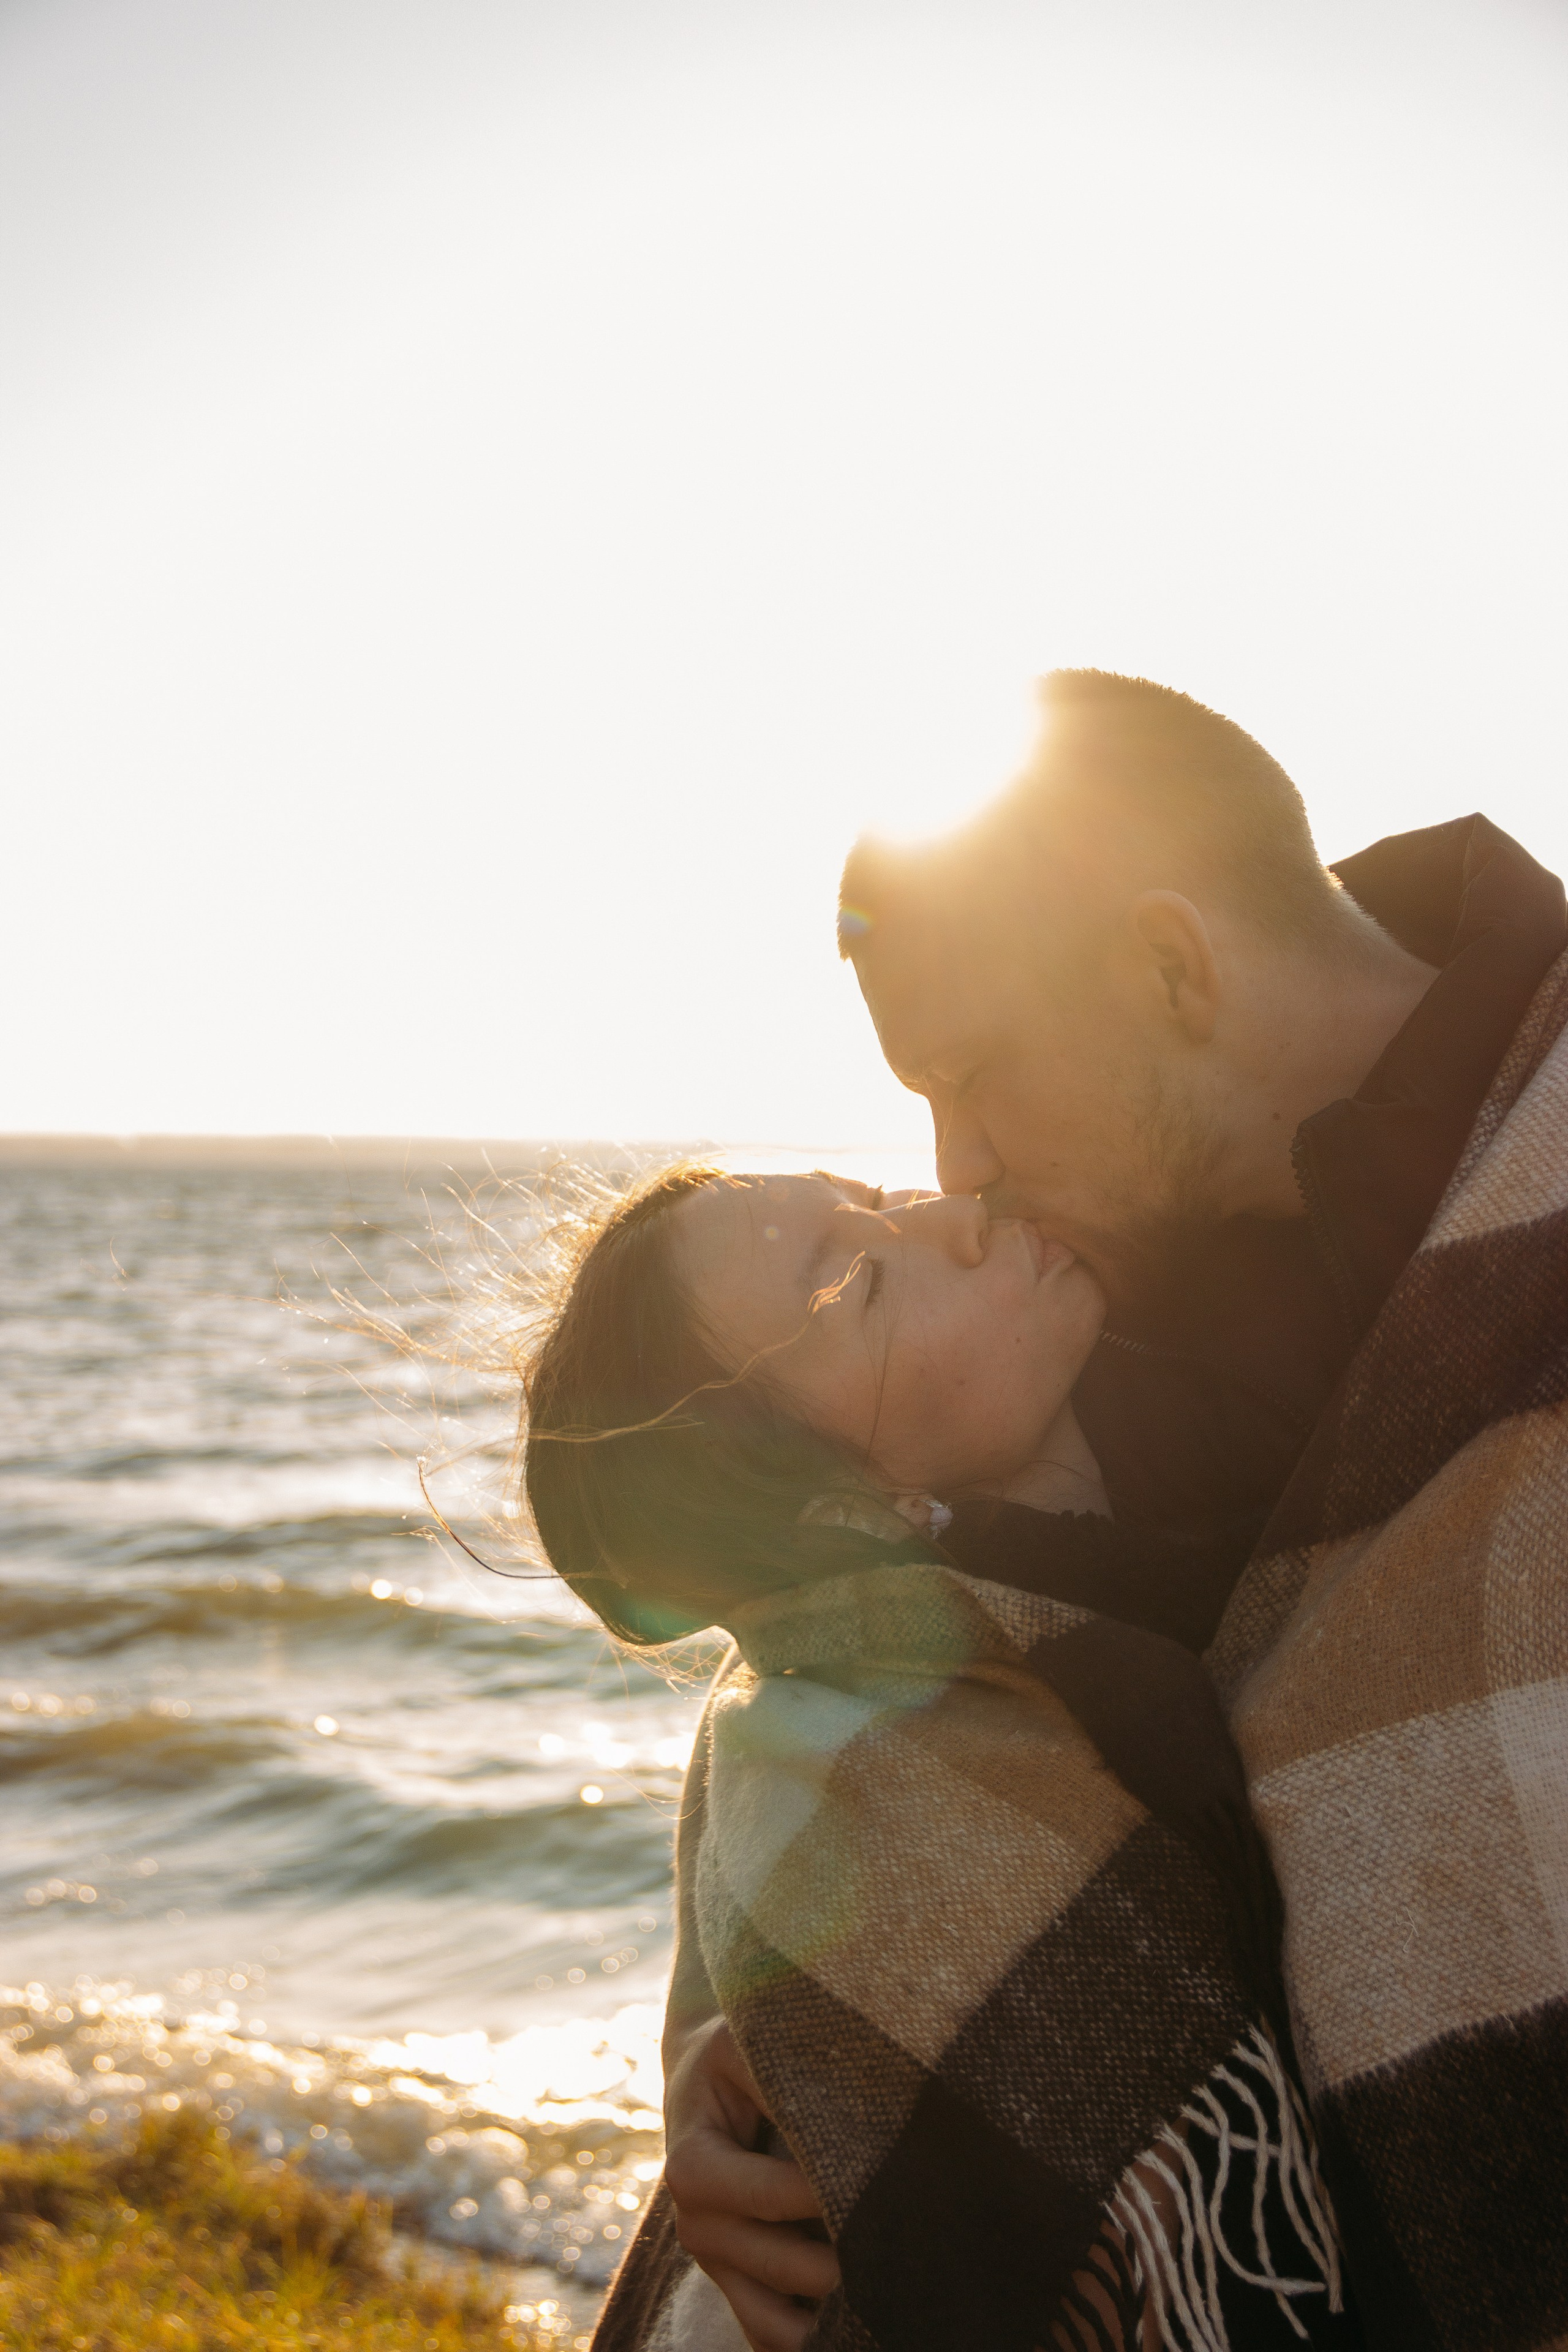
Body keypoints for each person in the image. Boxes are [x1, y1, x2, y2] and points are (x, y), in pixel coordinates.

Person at [662, 672, 1568, 2351]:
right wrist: (764, 2037)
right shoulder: (1079, 1301)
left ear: (1173, 967)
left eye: (975, 1074)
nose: (957, 1167)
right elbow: (849, 1633)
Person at [523, 1161, 1360, 2350]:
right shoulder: (873, 1776)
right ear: (858, 1517)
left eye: (873, 1190)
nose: (959, 1216)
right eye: (859, 1282)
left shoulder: (1267, 1420)